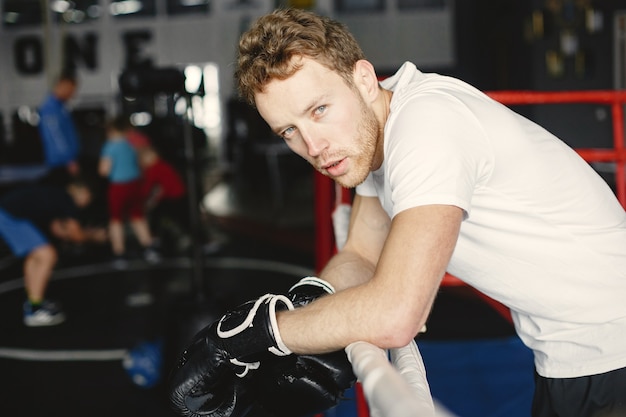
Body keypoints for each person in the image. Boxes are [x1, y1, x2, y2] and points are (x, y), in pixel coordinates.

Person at [168, 8, 626, 417]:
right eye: (289, 129)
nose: (313, 146)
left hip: (613, 343)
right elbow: (363, 255)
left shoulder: (427, 126)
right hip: (572, 351)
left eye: (320, 109)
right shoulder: (377, 136)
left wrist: (255, 336)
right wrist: (307, 304)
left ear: (364, 80)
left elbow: (396, 314)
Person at [0, 178, 104, 326]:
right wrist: (94, 236)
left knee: (35, 257)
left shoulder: (57, 196)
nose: (87, 204)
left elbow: (57, 229)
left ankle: (34, 302)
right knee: (47, 256)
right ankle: (35, 311)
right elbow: (76, 235)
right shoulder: (67, 200)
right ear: (84, 193)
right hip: (10, 215)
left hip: (8, 212)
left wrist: (82, 234)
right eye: (89, 198)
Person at [99, 115, 160, 268]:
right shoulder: (133, 144)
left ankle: (119, 253)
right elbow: (144, 162)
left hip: (118, 186)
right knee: (138, 217)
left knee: (116, 220)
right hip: (134, 184)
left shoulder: (110, 146)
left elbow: (104, 170)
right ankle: (149, 248)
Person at [37, 68, 82, 187]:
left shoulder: (60, 107)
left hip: (66, 162)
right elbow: (56, 136)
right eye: (71, 89)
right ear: (62, 85)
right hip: (60, 164)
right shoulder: (51, 109)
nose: (73, 94)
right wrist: (69, 160)